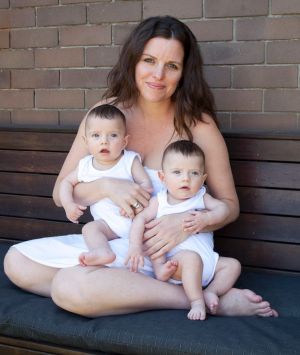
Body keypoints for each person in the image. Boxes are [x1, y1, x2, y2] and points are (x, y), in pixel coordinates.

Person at [4, 15, 278, 318]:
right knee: (17, 262)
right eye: (149, 60)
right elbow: (61, 192)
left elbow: (229, 205)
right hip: (115, 246)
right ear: (133, 61)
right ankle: (196, 299)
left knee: (69, 287)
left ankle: (173, 291)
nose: (158, 74)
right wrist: (106, 186)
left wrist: (186, 221)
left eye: (171, 66)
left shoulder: (199, 127)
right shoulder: (104, 116)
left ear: (184, 72)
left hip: (169, 257)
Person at [125, 140, 241, 320]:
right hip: (179, 265)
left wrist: (207, 218)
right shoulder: (160, 201)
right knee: (186, 256)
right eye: (177, 172)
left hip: (209, 263)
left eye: (194, 173)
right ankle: (196, 301)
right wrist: (134, 246)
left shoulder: (202, 197)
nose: (185, 178)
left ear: (203, 179)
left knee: (233, 265)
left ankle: (211, 291)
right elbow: (140, 219)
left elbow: (224, 209)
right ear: (163, 178)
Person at [59, 104, 152, 266]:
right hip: (108, 226)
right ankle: (102, 251)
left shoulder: (129, 160)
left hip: (136, 223)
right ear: (86, 141)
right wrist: (68, 204)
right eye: (96, 135)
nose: (104, 141)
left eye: (113, 135)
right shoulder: (85, 166)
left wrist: (135, 204)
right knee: (89, 229)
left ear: (124, 141)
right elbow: (66, 182)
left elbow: (146, 184)